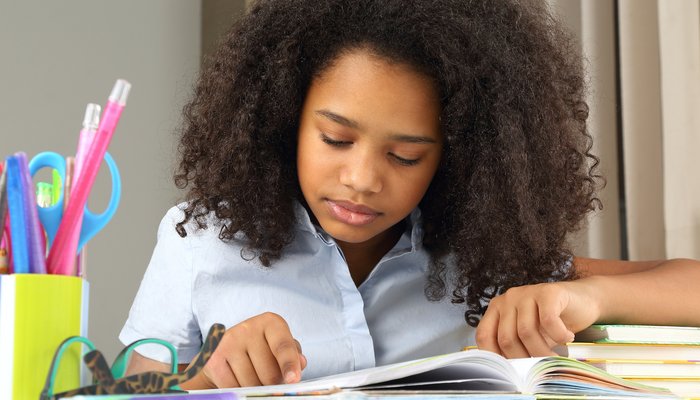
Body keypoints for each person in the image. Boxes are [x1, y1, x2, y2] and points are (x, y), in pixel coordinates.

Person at [119, 0, 700, 390]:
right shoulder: (199, 241)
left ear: (458, 155)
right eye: (336, 138)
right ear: (283, 120)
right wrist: (205, 381)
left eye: (405, 156)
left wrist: (590, 299)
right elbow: (124, 395)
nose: (363, 179)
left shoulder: (484, 260)